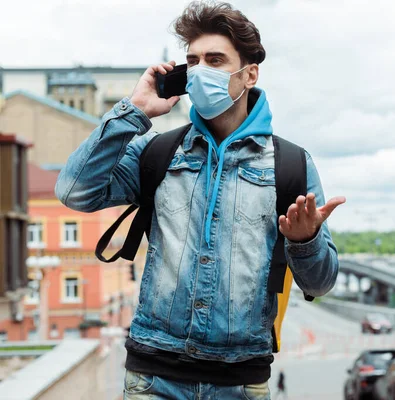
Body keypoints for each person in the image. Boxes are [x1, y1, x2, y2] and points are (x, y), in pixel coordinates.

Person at [55, 1, 345, 399]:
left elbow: (322, 282)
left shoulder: (290, 165)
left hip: (239, 383)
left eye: (215, 59)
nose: (200, 70)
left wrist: (304, 240)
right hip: (153, 377)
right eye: (192, 61)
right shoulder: (157, 152)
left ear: (249, 73)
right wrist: (134, 112)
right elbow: (74, 191)